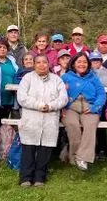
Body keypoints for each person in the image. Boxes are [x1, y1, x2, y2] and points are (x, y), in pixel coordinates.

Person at [17, 55, 68, 187]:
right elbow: (22, 97)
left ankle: (40, 177)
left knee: (45, 149)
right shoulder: (27, 79)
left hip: (49, 119)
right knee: (28, 149)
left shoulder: (57, 80)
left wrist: (50, 106)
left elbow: (63, 98)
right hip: (31, 119)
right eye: (38, 62)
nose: (41, 65)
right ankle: (25, 178)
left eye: (44, 62)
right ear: (34, 64)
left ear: (48, 64)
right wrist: (39, 105)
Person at [61, 53, 106, 171]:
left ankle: (82, 158)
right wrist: (63, 105)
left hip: (89, 107)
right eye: (79, 61)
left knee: (90, 125)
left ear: (88, 64)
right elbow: (58, 94)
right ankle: (74, 156)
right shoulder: (66, 77)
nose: (82, 64)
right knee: (72, 124)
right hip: (71, 107)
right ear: (74, 63)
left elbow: (101, 94)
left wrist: (95, 107)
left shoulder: (93, 77)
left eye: (85, 62)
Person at [0, 37, 19, 134]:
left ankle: (5, 146)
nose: (2, 49)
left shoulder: (11, 61)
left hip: (10, 98)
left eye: (4, 47)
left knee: (6, 126)